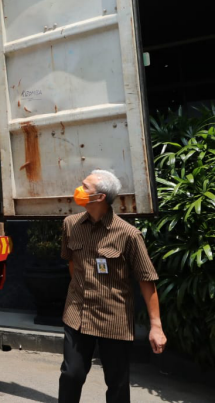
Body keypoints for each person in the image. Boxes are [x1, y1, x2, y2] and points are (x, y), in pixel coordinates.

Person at [59, 170, 167, 403]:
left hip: (113, 318)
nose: (78, 190)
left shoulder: (128, 235)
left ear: (99, 197)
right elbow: (72, 263)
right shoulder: (70, 225)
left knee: (117, 383)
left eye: (84, 187)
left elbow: (146, 279)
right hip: (77, 313)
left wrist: (156, 327)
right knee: (71, 374)